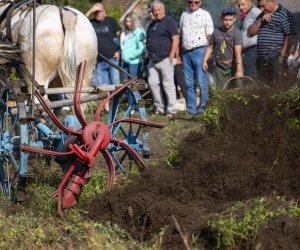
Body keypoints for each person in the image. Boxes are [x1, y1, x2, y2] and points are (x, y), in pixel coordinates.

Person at [247, 0, 296, 86]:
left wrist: (282, 55)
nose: (262, 9)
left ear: (271, 1)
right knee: (263, 89)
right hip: (262, 60)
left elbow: (290, 35)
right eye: (260, 7)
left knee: (277, 88)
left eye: (263, 6)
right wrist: (261, 21)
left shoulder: (284, 14)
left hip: (276, 59)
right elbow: (249, 33)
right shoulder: (261, 16)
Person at [180, 0, 214, 115]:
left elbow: (210, 36)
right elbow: (181, 34)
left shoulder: (205, 14)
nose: (193, 3)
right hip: (186, 52)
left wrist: (209, 54)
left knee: (201, 81)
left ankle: (203, 108)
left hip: (200, 50)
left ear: (200, 2)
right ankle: (191, 109)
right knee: (189, 83)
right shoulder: (184, 15)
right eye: (191, 2)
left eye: (196, 1)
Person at [146, 1, 179, 117]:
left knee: (168, 84)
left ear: (163, 10)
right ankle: (159, 108)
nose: (157, 12)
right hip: (153, 60)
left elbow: (175, 38)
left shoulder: (169, 21)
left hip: (165, 58)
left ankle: (171, 110)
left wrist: (171, 56)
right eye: (154, 10)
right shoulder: (152, 25)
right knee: (153, 83)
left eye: (159, 10)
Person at [202, 7, 243, 89]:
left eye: (230, 20)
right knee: (221, 92)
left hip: (233, 65)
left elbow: (238, 53)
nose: (228, 23)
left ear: (234, 19)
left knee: (237, 90)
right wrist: (204, 60)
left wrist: (239, 70)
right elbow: (210, 47)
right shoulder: (216, 32)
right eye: (225, 20)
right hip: (219, 67)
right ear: (221, 18)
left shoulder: (236, 33)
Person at [86, 3, 121, 86]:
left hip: (113, 58)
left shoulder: (111, 20)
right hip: (100, 60)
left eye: (98, 12)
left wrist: (118, 50)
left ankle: (116, 99)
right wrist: (91, 10)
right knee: (104, 86)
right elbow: (80, 19)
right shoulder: (92, 23)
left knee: (116, 84)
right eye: (95, 12)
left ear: (103, 11)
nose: (97, 14)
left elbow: (119, 36)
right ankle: (108, 99)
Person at [120, 12, 146, 114]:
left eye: (130, 21)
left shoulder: (139, 32)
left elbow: (141, 48)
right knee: (127, 85)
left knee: (134, 86)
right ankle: (131, 106)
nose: (127, 23)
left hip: (134, 63)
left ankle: (135, 108)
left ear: (134, 21)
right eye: (126, 21)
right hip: (125, 62)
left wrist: (130, 56)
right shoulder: (125, 33)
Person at [238, 0, 261, 80]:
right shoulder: (247, 14)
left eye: (243, 4)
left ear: (250, 2)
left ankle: (251, 90)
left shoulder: (255, 11)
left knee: (250, 72)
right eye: (239, 5)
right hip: (248, 50)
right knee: (248, 69)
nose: (240, 7)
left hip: (254, 48)